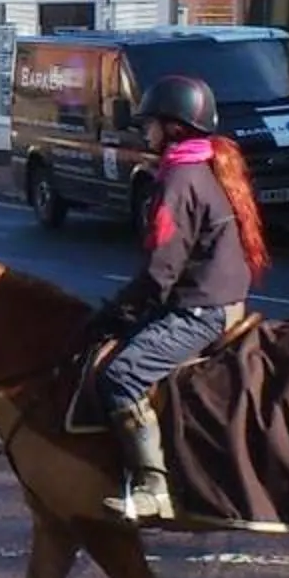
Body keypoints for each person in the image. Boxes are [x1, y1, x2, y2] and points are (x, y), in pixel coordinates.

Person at [85, 73, 270, 522]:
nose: (145, 131)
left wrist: (115, 313)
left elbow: (159, 273)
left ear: (173, 127)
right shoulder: (210, 165)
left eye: (151, 123)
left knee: (121, 374)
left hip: (200, 311)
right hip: (222, 300)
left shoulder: (178, 180)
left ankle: (153, 487)